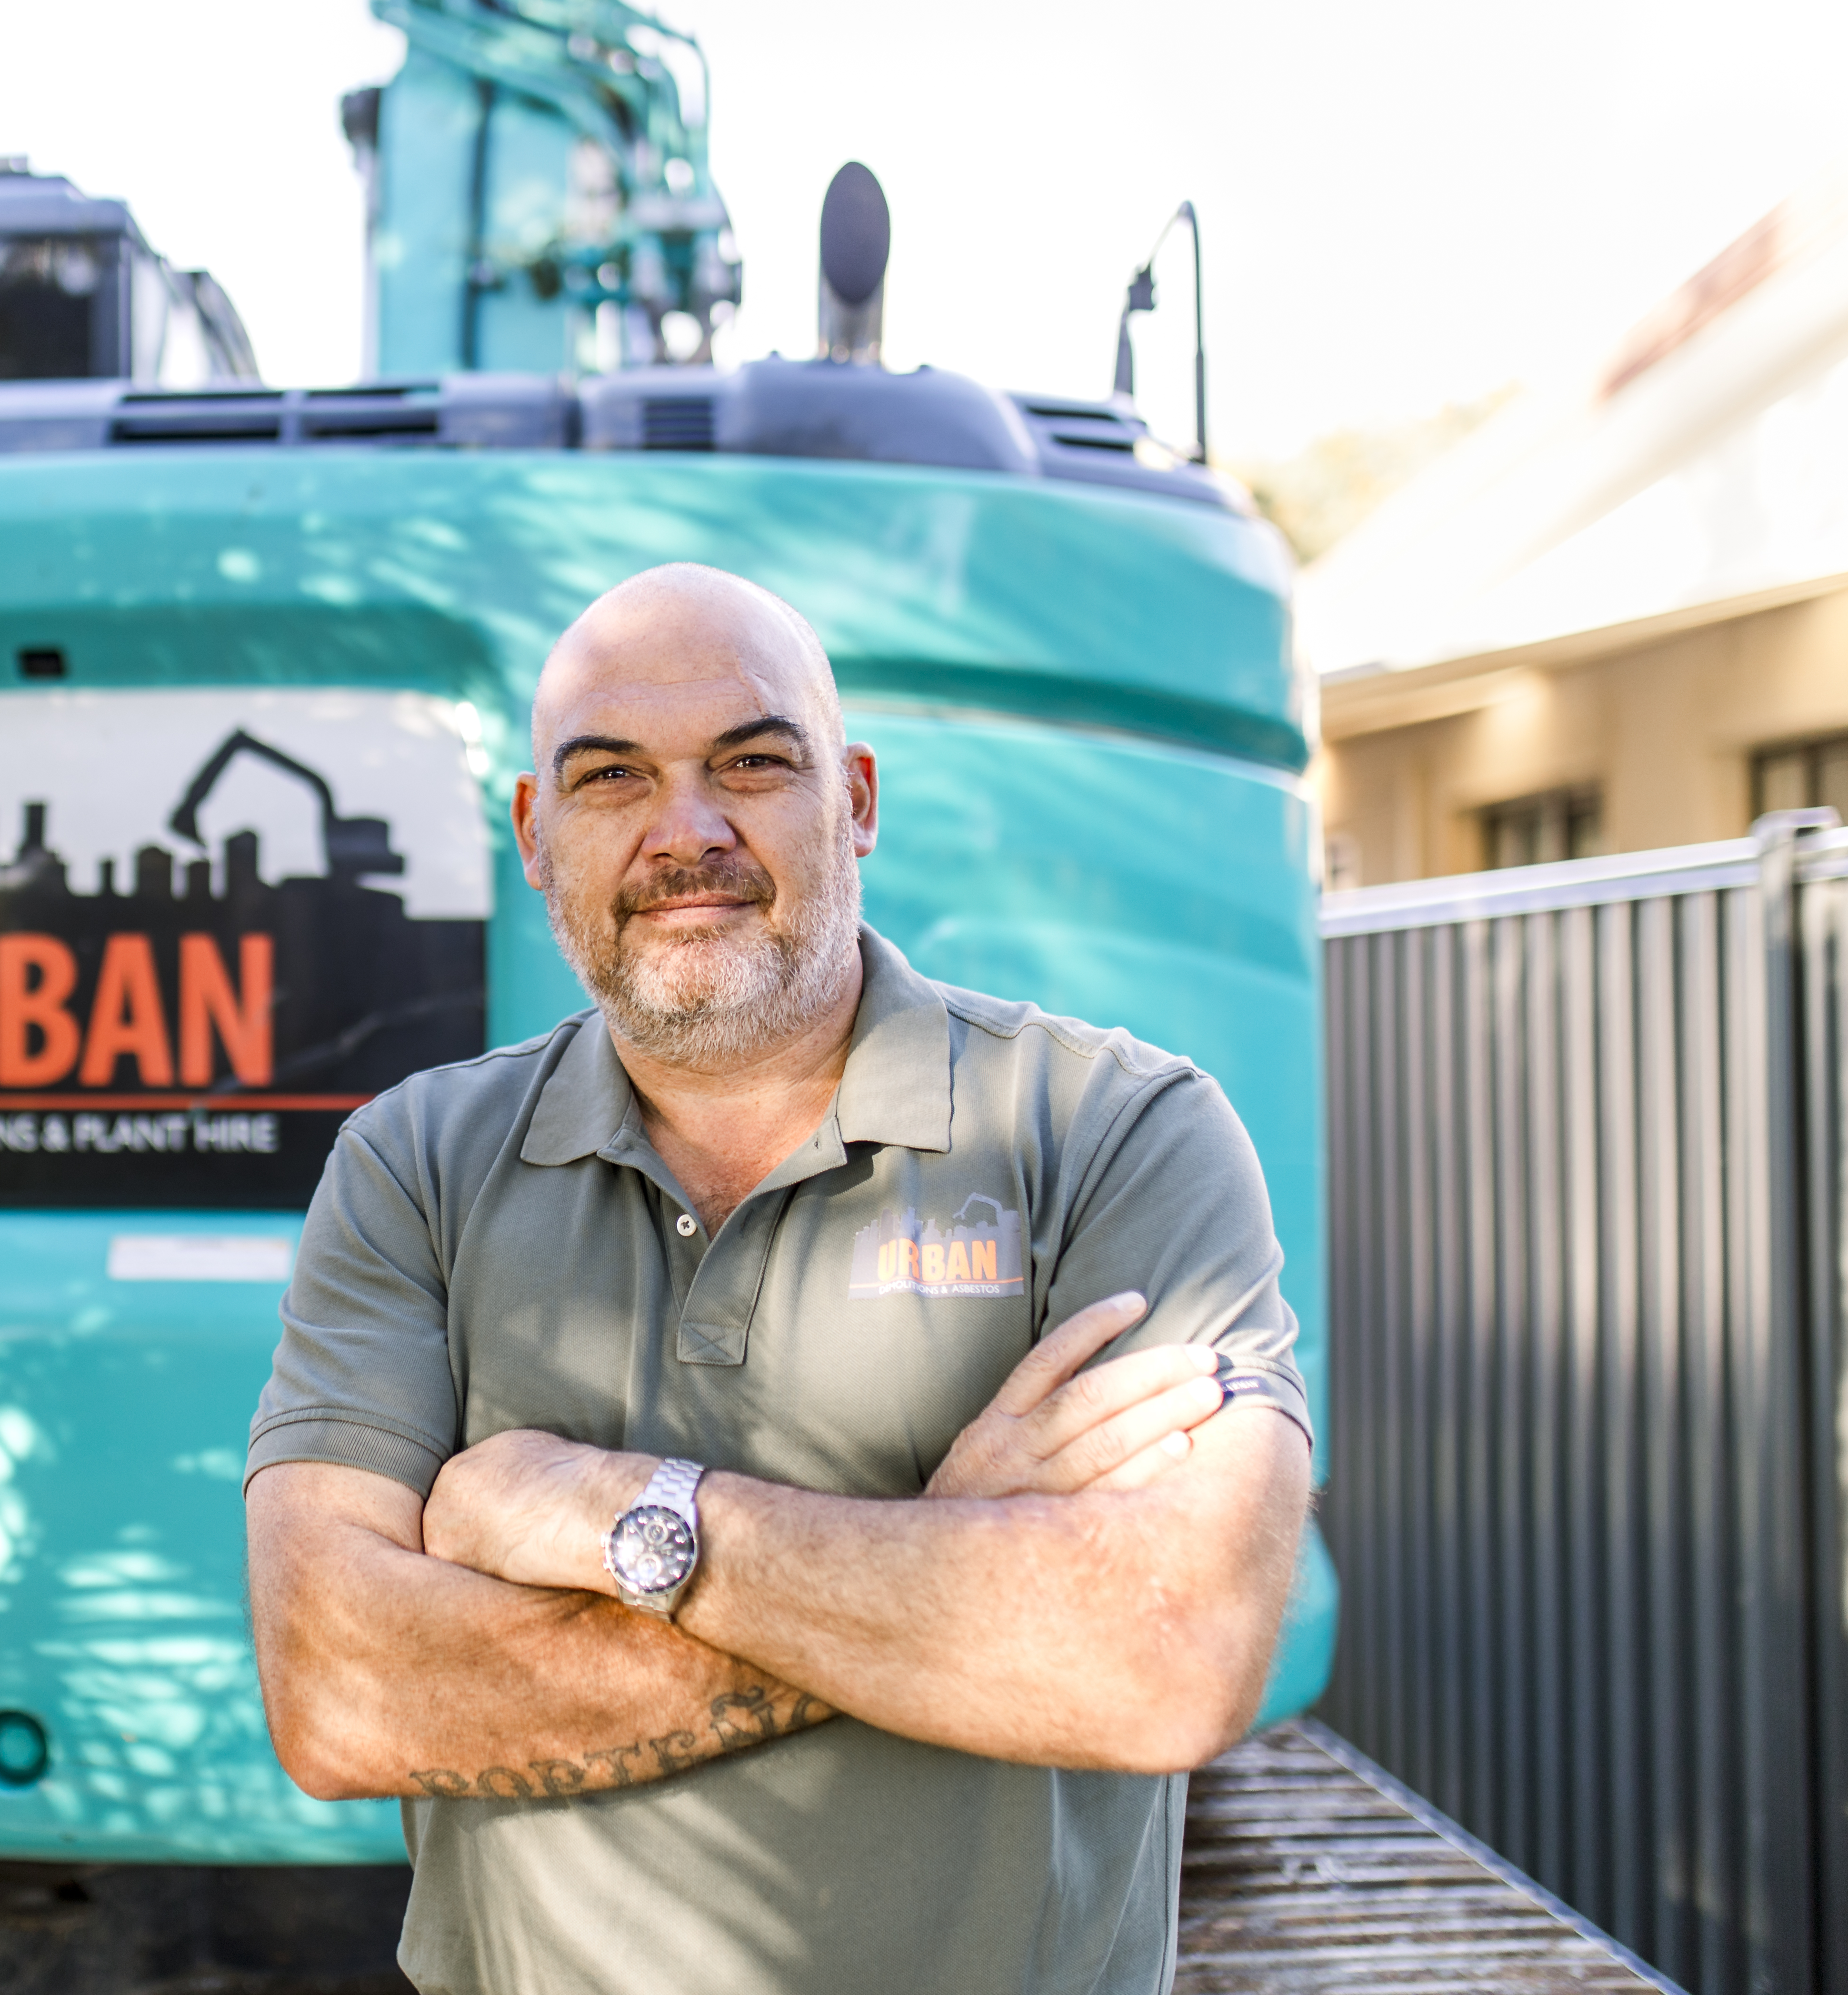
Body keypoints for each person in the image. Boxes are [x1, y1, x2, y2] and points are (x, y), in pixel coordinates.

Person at [242, 563, 1314, 1995]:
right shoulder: (416, 1164)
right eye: (612, 778)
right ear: (536, 835)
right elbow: (337, 1697)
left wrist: (614, 1513)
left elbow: (1169, 1655)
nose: (687, 832)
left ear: (854, 800)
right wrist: (945, 1547)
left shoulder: (1115, 1131)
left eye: (751, 763)